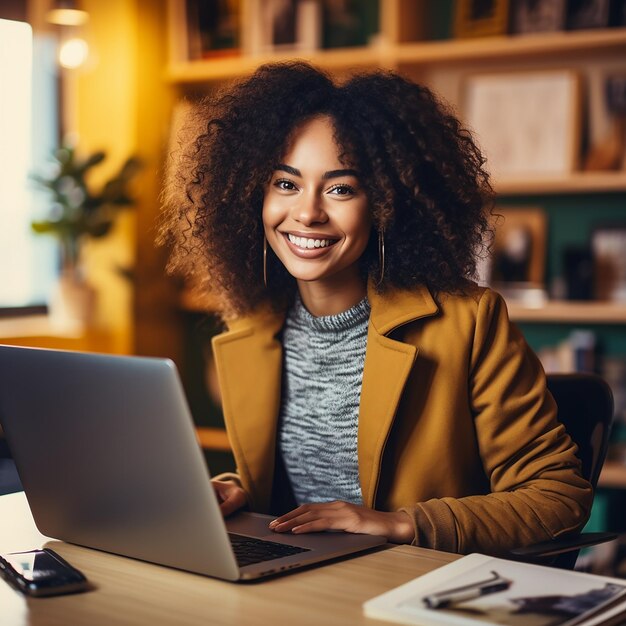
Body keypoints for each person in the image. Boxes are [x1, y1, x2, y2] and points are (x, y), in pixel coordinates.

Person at [159, 61, 592, 555]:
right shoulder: (254, 326)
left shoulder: (468, 322)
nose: (307, 212)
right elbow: (302, 488)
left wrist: (400, 524)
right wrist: (239, 489)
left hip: (409, 586)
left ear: (387, 203)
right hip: (293, 583)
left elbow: (558, 496)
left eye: (341, 188)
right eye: (286, 184)